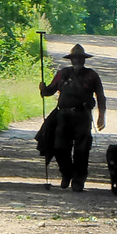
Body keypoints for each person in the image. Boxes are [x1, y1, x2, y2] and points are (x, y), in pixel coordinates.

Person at [39, 43, 106, 191]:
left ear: (84, 60)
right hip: (63, 115)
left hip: (82, 116)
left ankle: (78, 179)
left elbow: (100, 96)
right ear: (71, 59)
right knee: (59, 147)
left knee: (82, 149)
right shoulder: (63, 74)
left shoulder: (91, 75)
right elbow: (50, 91)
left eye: (80, 58)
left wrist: (102, 116)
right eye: (75, 58)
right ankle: (67, 173)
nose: (77, 61)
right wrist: (43, 89)